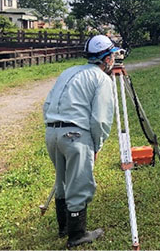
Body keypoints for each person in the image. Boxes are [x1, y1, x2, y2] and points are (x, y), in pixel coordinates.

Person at [43, 34, 119, 248]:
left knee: (62, 180)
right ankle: (76, 234)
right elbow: (101, 118)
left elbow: (47, 104)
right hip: (76, 136)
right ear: (106, 59)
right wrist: (97, 144)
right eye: (112, 55)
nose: (114, 59)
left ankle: (63, 227)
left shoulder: (68, 72)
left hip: (52, 133)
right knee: (79, 183)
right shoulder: (101, 79)